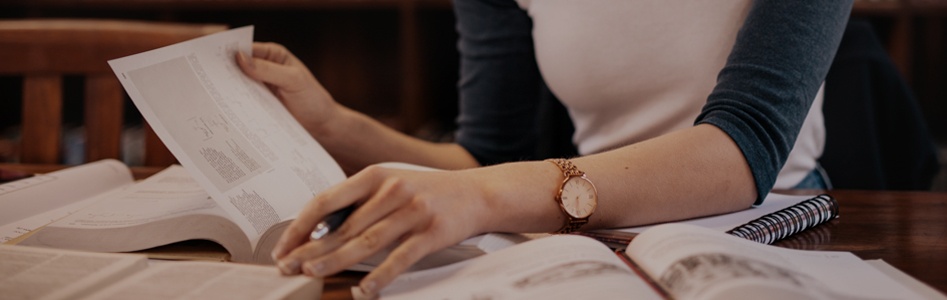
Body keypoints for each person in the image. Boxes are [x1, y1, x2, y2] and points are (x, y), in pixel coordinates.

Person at [235, 0, 852, 295]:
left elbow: (743, 146)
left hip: (774, 225)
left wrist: (483, 196)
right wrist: (332, 123)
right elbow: (485, 153)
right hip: (594, 243)